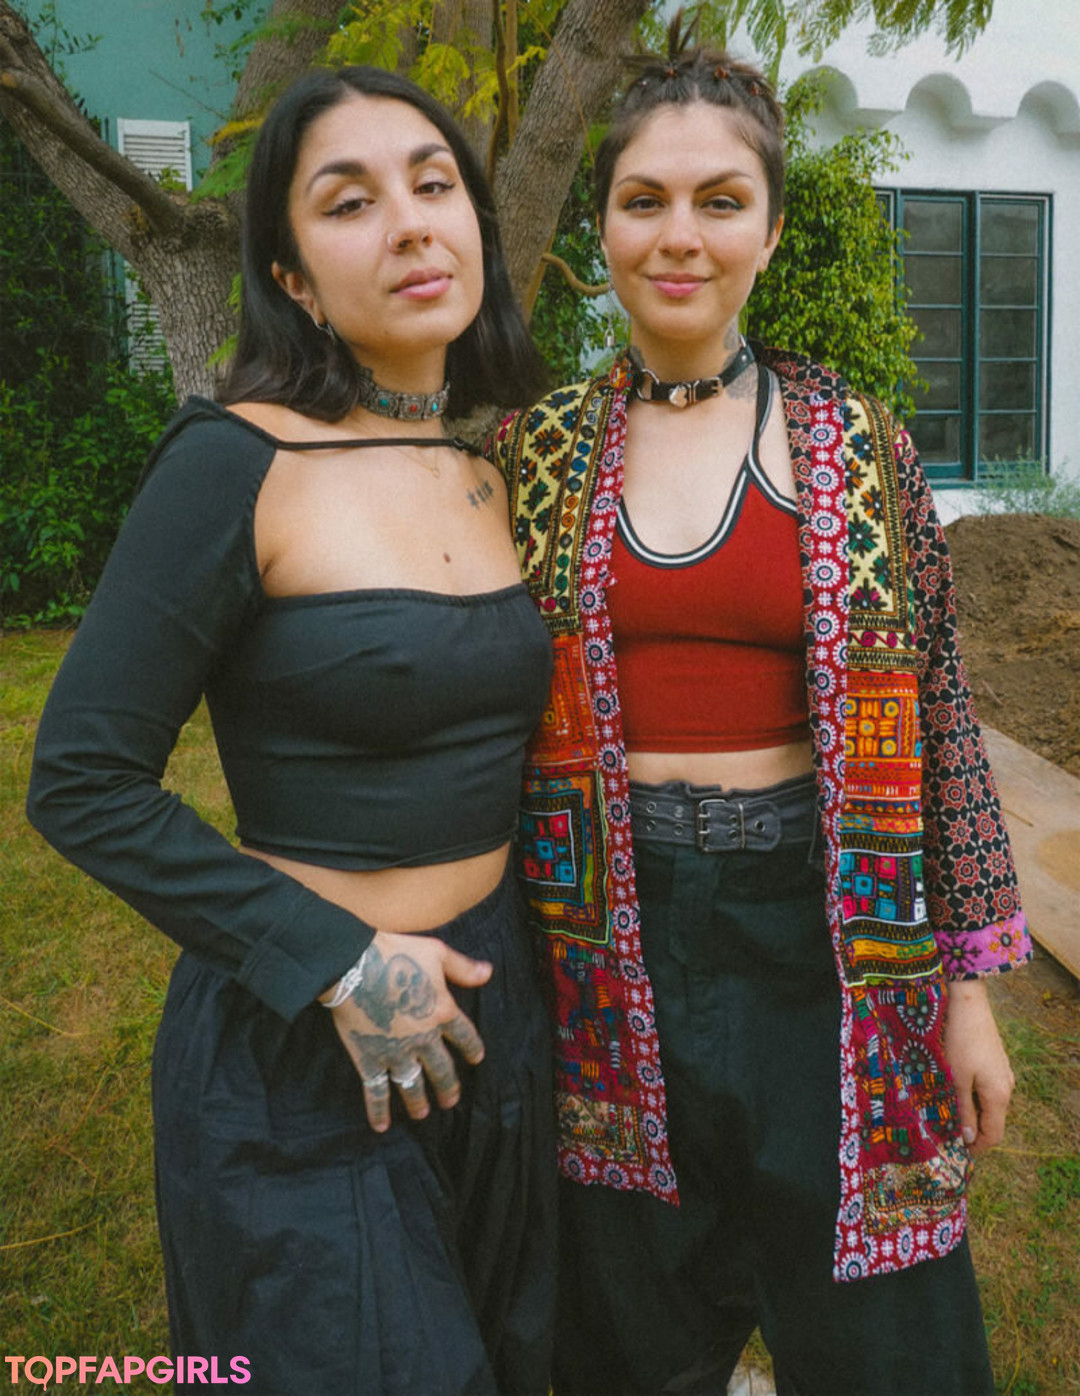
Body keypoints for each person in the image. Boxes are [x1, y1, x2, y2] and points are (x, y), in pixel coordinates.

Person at [490, 15, 1031, 1395]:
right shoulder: (535, 453)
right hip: (604, 944)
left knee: (884, 1330)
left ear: (771, 232)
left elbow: (942, 720)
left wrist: (967, 996)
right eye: (644, 200)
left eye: (721, 201)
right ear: (602, 228)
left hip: (829, 938)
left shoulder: (857, 444)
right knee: (629, 1318)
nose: (680, 236)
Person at [27, 64, 556, 1396]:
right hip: (303, 1048)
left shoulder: (492, 471)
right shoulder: (234, 462)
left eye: (433, 184)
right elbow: (82, 780)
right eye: (349, 201)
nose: (410, 223)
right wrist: (336, 964)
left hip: (500, 1025)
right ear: (294, 278)